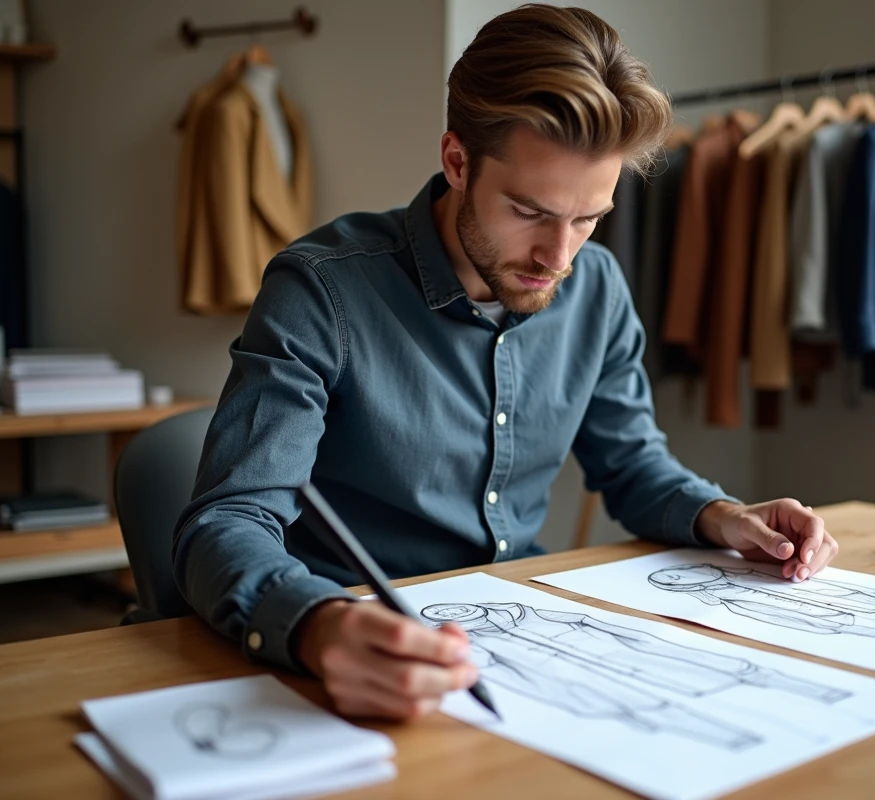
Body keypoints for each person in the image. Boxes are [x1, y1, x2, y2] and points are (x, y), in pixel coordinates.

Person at [173, 3, 840, 722]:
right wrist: (316, 625)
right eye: (530, 211)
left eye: (588, 218)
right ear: (457, 161)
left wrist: (723, 516)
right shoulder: (321, 291)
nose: (560, 258)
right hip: (351, 657)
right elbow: (229, 522)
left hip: (525, 649)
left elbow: (632, 467)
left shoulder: (599, 288)